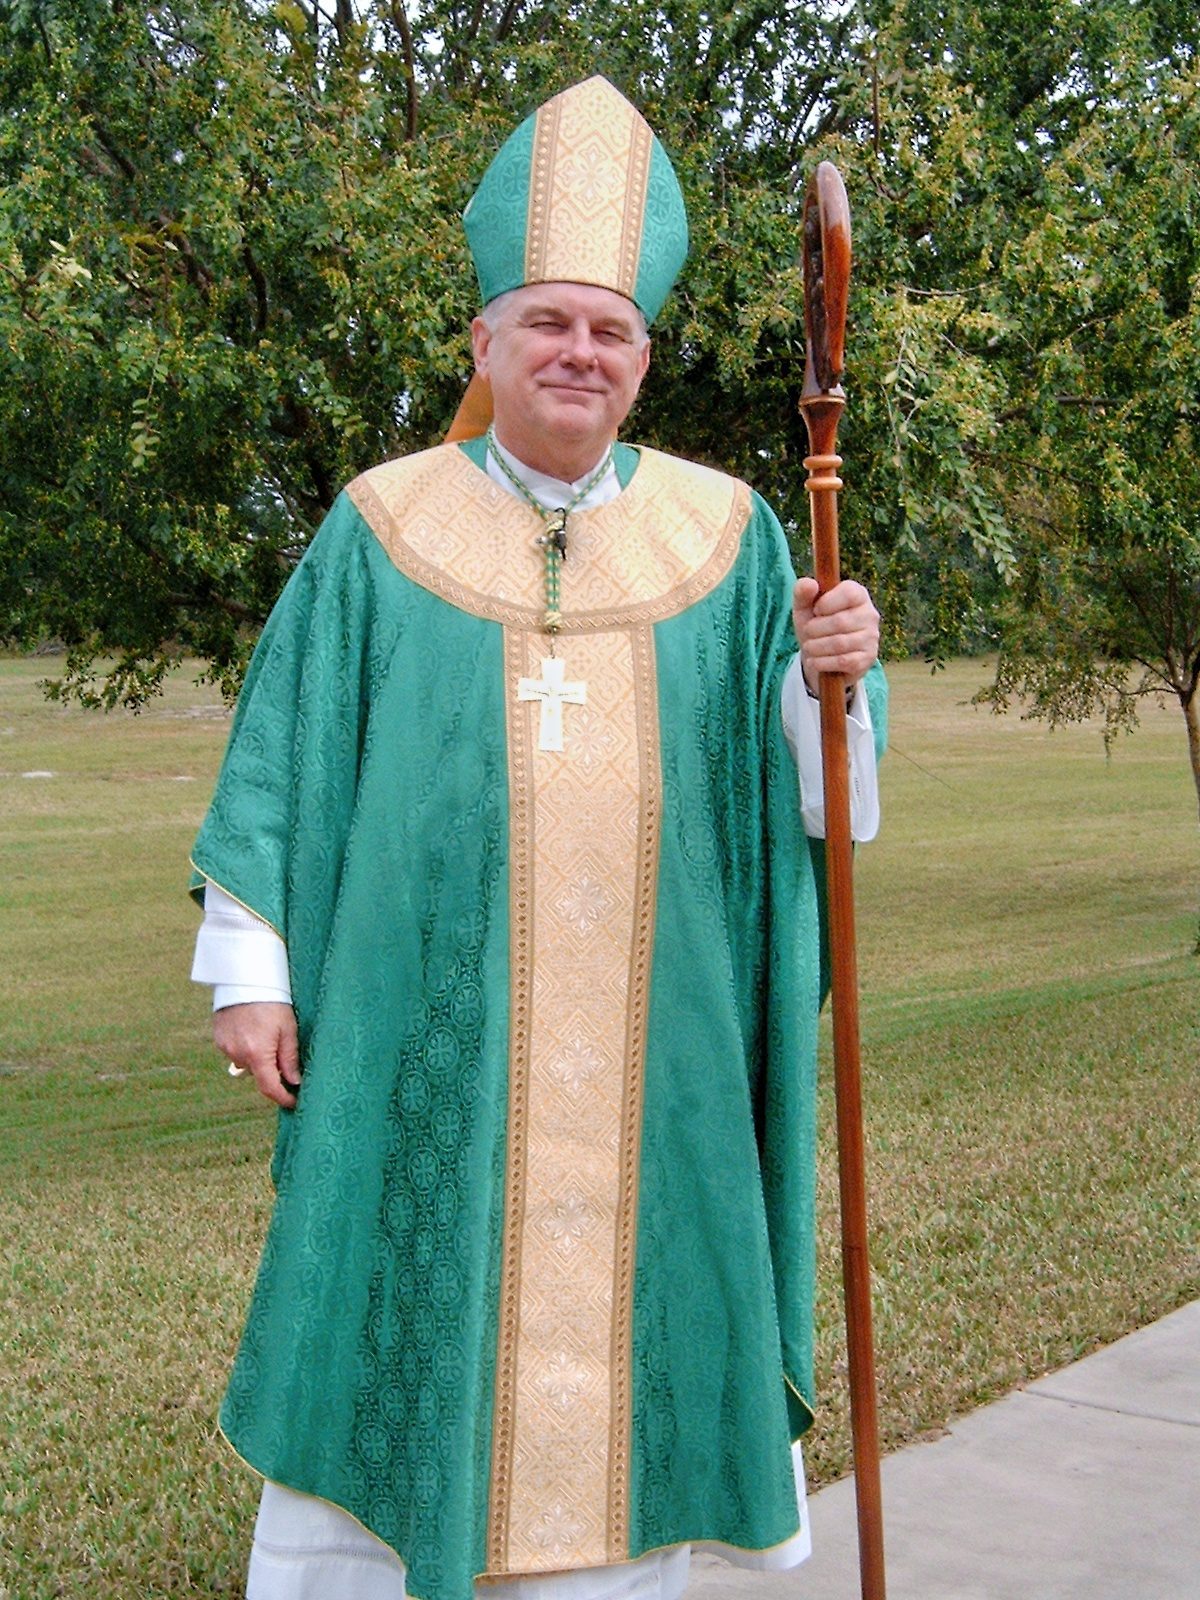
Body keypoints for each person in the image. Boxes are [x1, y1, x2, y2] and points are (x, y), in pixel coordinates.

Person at [191, 76, 886, 1600]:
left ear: (643, 359)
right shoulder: (384, 526)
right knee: (400, 1312)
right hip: (419, 1047)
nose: (581, 351)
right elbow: (288, 752)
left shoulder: (728, 538)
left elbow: (814, 801)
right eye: (550, 322)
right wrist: (249, 967)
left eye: (610, 331)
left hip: (663, 1060)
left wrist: (829, 677)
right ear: (485, 343)